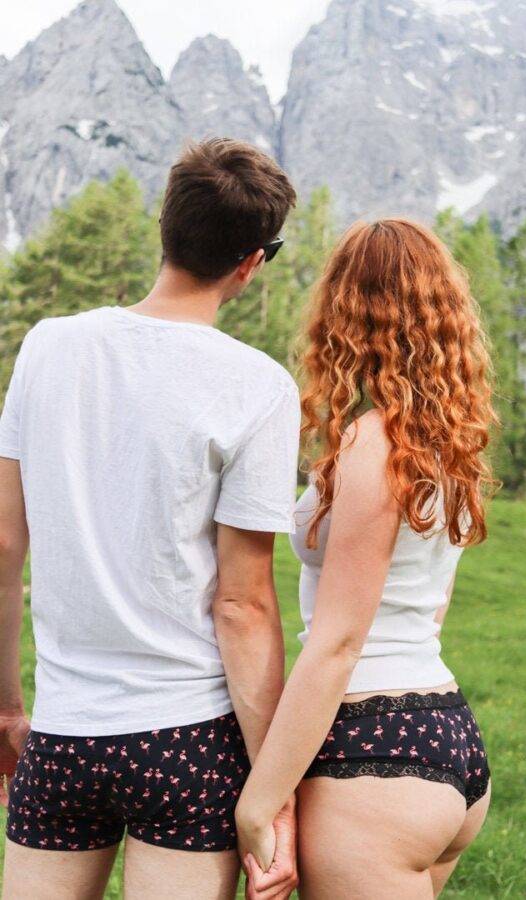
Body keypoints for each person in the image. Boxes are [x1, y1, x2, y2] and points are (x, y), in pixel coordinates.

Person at [0, 138, 299, 900]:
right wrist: (274, 786)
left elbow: (5, 544)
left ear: (164, 226)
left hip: (63, 733)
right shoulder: (258, 387)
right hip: (189, 737)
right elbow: (243, 603)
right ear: (252, 261)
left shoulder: (46, 347)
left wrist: (7, 705)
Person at [236, 219, 497, 900]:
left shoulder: (371, 446)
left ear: (346, 313)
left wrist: (259, 801)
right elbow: (429, 609)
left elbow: (338, 643)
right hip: (445, 732)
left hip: (373, 751)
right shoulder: (449, 446)